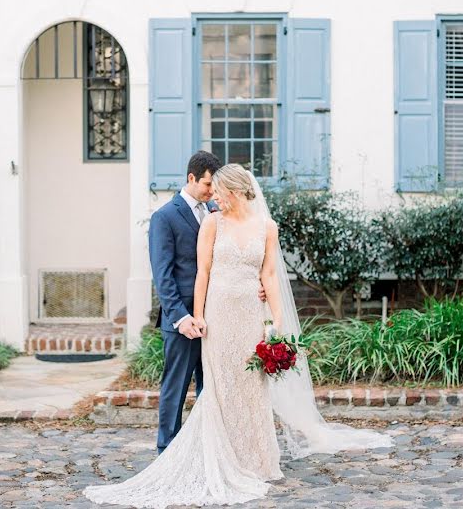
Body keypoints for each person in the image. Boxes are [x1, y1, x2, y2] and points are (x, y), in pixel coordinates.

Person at [85, 164, 393, 508]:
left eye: (218, 191)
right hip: (217, 315)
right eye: (210, 189)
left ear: (231, 191)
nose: (213, 196)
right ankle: (208, 454)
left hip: (250, 314)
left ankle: (254, 460)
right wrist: (198, 315)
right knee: (220, 386)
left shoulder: (267, 226)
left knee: (251, 386)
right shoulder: (213, 223)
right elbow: (202, 272)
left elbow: (271, 276)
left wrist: (276, 321)